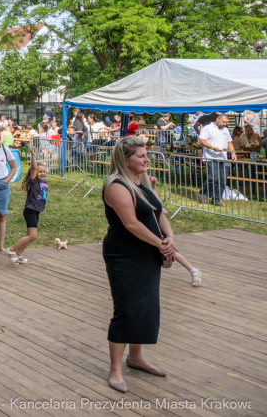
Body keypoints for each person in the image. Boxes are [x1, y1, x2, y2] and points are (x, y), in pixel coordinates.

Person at [101, 135, 175, 393]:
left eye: (146, 155)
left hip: (148, 250)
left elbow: (159, 212)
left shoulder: (141, 181)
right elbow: (131, 224)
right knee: (128, 308)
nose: (147, 159)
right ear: (125, 159)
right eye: (141, 156)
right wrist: (160, 243)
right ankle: (115, 369)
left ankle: (136, 357)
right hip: (125, 253)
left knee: (146, 305)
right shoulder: (116, 185)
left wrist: (170, 238)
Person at [6, 161, 47, 265]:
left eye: (44, 171)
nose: (42, 173)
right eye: (39, 172)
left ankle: (19, 254)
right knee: (33, 236)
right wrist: (33, 155)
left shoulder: (44, 181)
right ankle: (11, 250)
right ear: (34, 173)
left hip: (36, 211)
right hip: (30, 210)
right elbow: (33, 169)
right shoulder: (33, 181)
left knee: (29, 235)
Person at [198, 113, 234, 206]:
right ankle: (203, 192)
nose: (225, 124)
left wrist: (233, 152)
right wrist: (213, 147)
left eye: (226, 123)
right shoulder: (207, 128)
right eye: (223, 122)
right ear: (217, 119)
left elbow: (229, 142)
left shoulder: (225, 130)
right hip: (211, 157)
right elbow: (201, 140)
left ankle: (216, 199)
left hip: (223, 157)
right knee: (213, 178)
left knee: (222, 180)